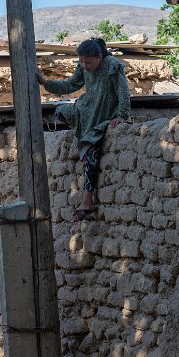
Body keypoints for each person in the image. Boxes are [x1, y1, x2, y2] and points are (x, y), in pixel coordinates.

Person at [37, 37, 131, 221]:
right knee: (59, 112)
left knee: (90, 154)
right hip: (88, 110)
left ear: (100, 57)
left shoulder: (112, 65)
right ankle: (84, 133)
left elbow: (123, 92)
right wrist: (46, 83)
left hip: (105, 114)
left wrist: (122, 115)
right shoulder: (83, 67)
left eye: (88, 62)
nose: (84, 66)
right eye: (81, 61)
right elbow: (71, 85)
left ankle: (88, 199)